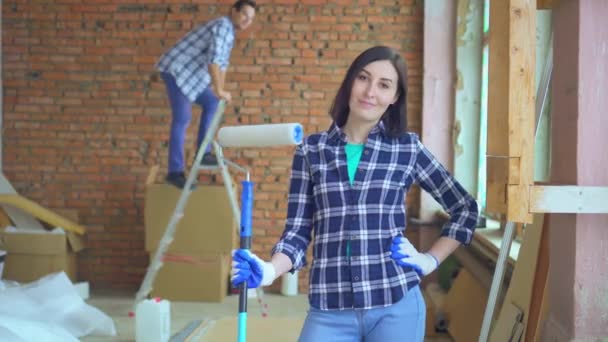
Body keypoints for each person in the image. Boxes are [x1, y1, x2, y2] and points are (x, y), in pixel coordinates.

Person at [231, 46, 479, 341]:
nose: (370, 91)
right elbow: (298, 233)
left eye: (384, 85)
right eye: (363, 78)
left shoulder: (406, 149)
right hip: (330, 309)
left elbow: (465, 208)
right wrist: (270, 270)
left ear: (394, 97)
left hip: (395, 303)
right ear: (350, 81)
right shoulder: (311, 151)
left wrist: (430, 260)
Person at [157, 0, 257, 188]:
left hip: (190, 78)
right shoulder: (223, 26)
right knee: (182, 119)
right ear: (234, 11)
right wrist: (219, 90)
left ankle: (203, 153)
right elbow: (213, 62)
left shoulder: (229, 33)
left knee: (213, 102)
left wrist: (220, 91)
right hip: (177, 71)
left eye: (250, 19)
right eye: (244, 14)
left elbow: (222, 65)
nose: (246, 21)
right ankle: (174, 172)